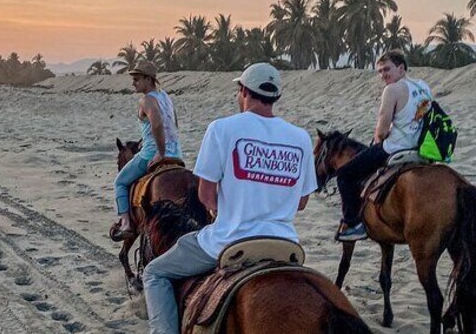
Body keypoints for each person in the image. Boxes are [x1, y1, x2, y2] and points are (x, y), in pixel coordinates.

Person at [143, 62, 316, 334]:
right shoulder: (301, 137)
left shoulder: (222, 128)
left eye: (239, 91)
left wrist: (225, 208)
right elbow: (302, 202)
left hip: (229, 241)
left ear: (244, 91)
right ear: (275, 97)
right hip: (285, 244)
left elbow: (206, 195)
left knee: (155, 273)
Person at [335, 49, 432, 242]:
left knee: (345, 174)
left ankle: (354, 224)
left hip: (396, 148)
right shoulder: (423, 86)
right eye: (380, 71)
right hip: (420, 149)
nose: (383, 75)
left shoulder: (392, 90)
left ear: (401, 68)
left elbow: (382, 130)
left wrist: (377, 141)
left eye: (387, 69)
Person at [111, 60, 183, 238]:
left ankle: (126, 224)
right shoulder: (166, 97)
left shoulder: (146, 100)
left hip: (152, 153)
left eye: (136, 79)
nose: (133, 83)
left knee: (119, 182)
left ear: (149, 80)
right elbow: (173, 124)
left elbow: (157, 124)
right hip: (177, 154)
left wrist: (160, 151)